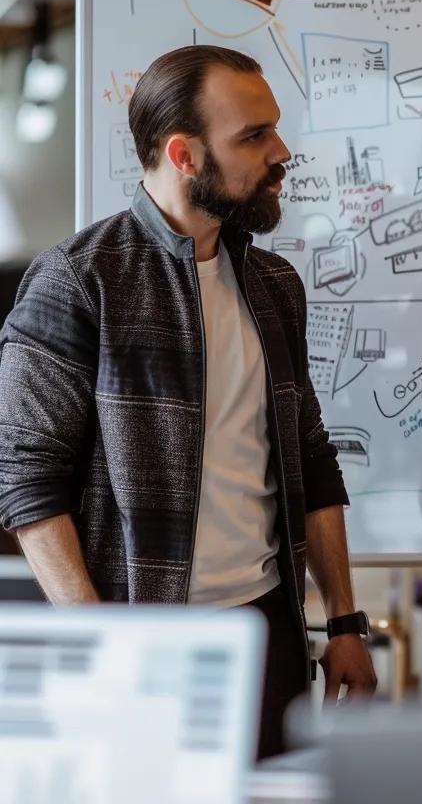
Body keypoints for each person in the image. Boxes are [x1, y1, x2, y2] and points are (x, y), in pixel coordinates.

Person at [0, 45, 376, 757]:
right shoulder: (77, 283)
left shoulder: (274, 284)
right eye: (254, 136)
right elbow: (27, 484)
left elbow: (311, 457)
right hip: (143, 640)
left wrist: (345, 624)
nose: (281, 150)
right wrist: (101, 648)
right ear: (185, 154)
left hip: (271, 630)